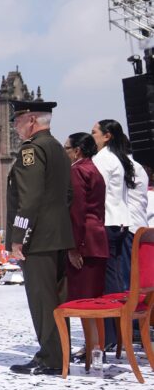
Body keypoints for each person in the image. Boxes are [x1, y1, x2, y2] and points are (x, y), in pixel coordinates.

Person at [7, 100, 74, 375]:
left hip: (38, 238)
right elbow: (68, 195)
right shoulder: (57, 148)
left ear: (31, 120)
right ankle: (62, 353)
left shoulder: (31, 151)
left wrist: (18, 236)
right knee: (58, 300)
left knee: (43, 300)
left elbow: (29, 199)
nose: (15, 126)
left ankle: (51, 358)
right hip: (59, 234)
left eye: (17, 121)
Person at [91, 119, 136, 351]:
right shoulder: (119, 158)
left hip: (107, 221)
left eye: (94, 132)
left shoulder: (102, 160)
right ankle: (117, 334)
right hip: (120, 221)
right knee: (115, 279)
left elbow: (96, 193)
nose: (92, 137)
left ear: (106, 136)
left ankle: (108, 336)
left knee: (105, 281)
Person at [64, 132, 109, 354]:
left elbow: (77, 210)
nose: (65, 153)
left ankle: (94, 347)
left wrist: (74, 247)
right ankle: (94, 344)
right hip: (98, 237)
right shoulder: (95, 170)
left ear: (77, 151)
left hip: (85, 241)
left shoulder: (78, 170)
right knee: (93, 298)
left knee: (84, 300)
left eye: (66, 148)